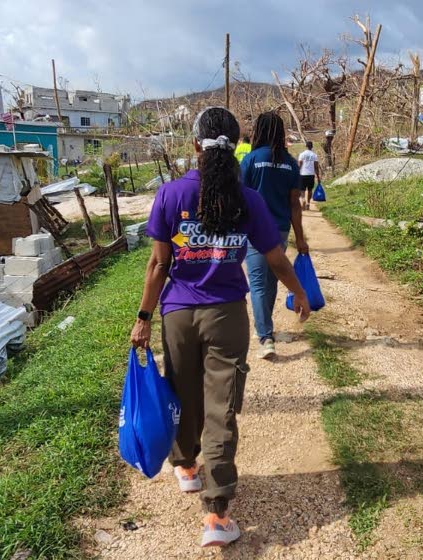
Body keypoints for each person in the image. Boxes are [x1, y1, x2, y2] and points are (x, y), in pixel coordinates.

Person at [131, 107, 311, 548]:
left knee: (182, 391)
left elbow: (159, 263)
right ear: (237, 146)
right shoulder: (246, 199)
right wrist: (300, 291)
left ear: (195, 145)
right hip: (227, 315)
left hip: (176, 314)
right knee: (221, 408)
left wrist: (143, 318)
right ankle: (215, 514)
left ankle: (187, 467)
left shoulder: (171, 195)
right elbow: (273, 257)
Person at [240, 111, 308, 360]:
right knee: (270, 281)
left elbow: (240, 197)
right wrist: (300, 238)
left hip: (255, 230)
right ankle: (266, 330)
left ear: (258, 131)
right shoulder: (290, 164)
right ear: (280, 133)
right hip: (279, 229)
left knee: (258, 284)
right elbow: (294, 204)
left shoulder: (250, 160)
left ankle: (265, 335)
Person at [297, 140, 321, 210]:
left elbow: (299, 165)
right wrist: (318, 176)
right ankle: (308, 203)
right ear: (312, 147)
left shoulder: (302, 154)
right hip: (311, 174)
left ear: (306, 146)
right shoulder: (314, 155)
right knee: (310, 190)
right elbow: (316, 167)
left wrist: (297, 173)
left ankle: (303, 199)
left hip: (302, 174)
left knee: (302, 189)